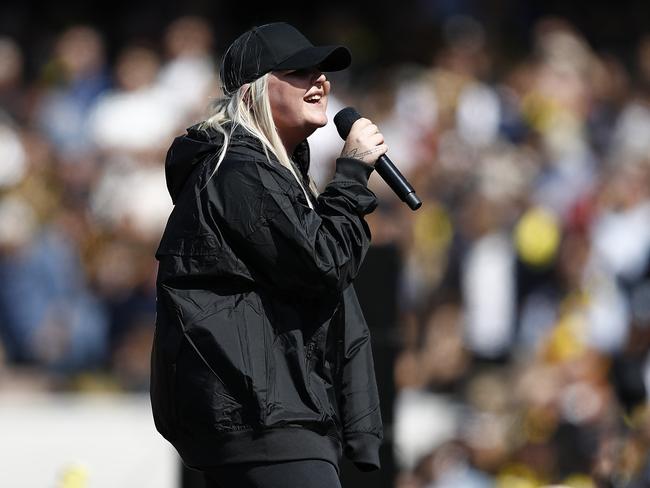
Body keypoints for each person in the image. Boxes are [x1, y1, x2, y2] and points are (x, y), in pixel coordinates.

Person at [150, 22, 386, 488]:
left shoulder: (273, 178)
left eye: (322, 71)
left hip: (279, 418)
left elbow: (335, 305)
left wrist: (360, 431)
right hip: (263, 421)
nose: (320, 80)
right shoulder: (236, 170)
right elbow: (325, 262)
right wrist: (354, 174)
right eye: (300, 71)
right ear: (256, 90)